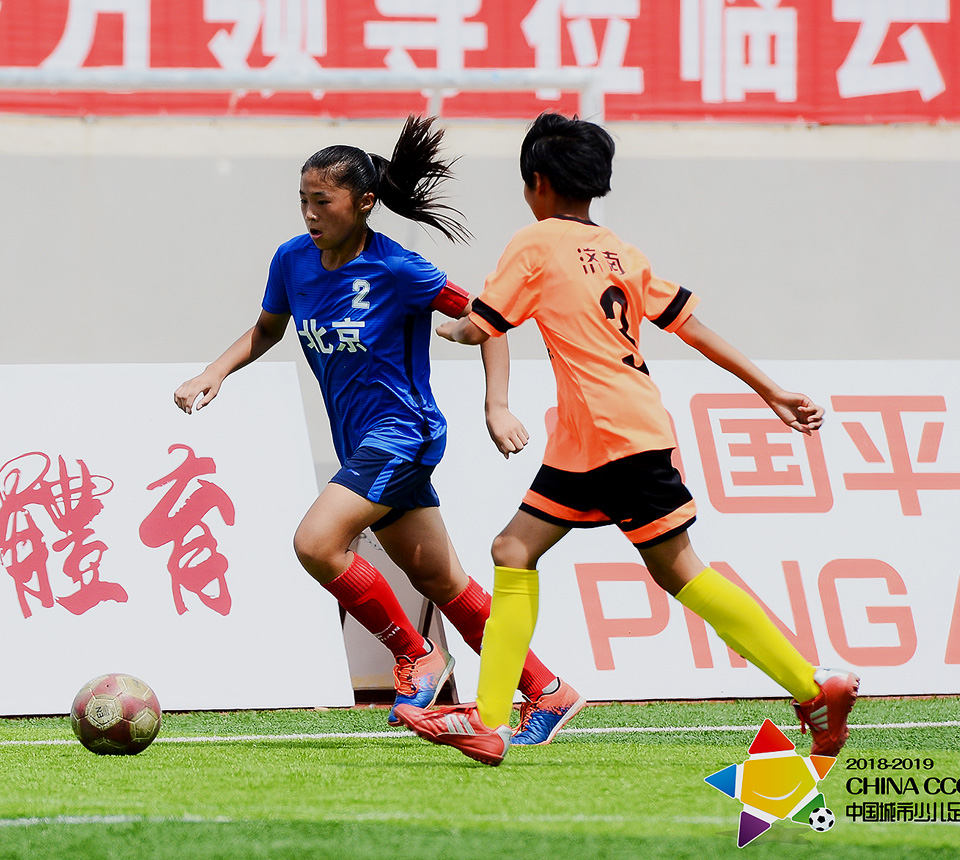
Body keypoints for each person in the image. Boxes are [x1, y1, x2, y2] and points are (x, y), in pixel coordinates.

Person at [395, 112, 860, 766]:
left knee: (674, 569)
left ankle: (811, 685)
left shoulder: (535, 242)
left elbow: (480, 326)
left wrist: (440, 322)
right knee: (515, 549)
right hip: (610, 431)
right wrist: (771, 390)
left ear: (537, 182)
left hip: (605, 433)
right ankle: (492, 720)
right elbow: (693, 328)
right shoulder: (620, 253)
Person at [173, 115, 584, 743]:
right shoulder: (291, 260)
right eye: (303, 200)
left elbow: (489, 320)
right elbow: (267, 330)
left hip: (403, 434)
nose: (310, 215)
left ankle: (417, 655)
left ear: (364, 203)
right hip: (362, 444)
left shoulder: (398, 269)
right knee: (441, 581)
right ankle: (547, 690)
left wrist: (496, 406)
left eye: (323, 201)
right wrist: (214, 372)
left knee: (316, 544)